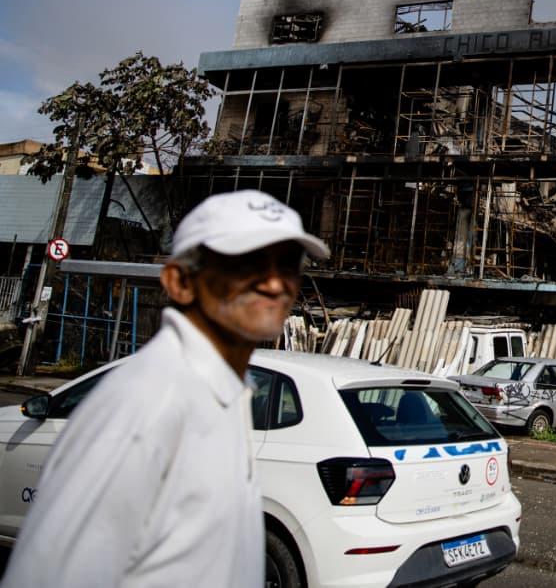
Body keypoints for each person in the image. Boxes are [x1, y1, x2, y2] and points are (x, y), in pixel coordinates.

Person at [2, 190, 328, 588]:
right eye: (247, 263)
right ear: (180, 281)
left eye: (288, 265)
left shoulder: (223, 393)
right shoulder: (147, 403)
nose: (275, 283)